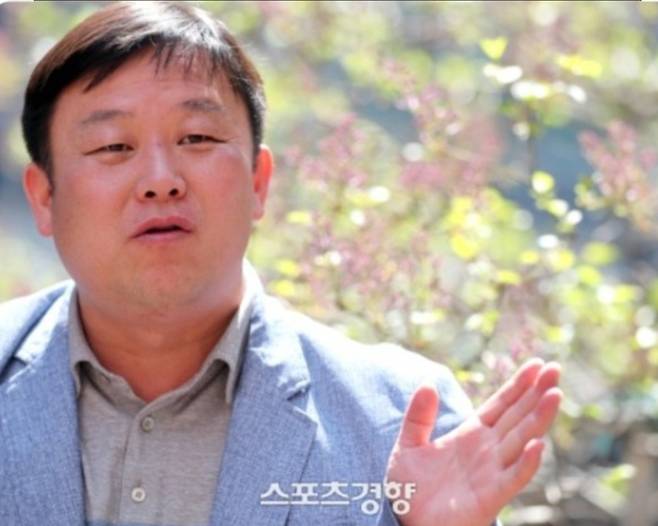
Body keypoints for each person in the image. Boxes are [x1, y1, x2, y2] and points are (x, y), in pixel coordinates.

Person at [0, 2, 562, 525]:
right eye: (112, 147)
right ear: (44, 197)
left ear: (258, 182)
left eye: (197, 137)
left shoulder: (400, 418)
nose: (160, 181)